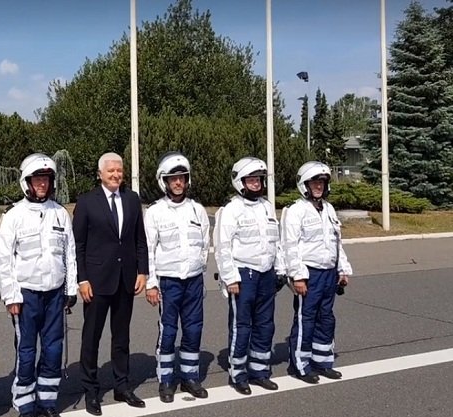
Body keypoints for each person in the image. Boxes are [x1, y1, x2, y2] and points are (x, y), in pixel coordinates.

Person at [0, 153, 78, 417]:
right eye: (37, 179)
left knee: (54, 351)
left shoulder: (60, 213)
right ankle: (26, 406)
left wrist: (71, 288)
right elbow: (4, 259)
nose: (42, 184)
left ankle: (47, 403)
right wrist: (11, 296)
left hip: (55, 293)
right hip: (26, 295)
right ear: (27, 182)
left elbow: (70, 253)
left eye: (46, 179)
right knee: (27, 351)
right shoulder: (13, 216)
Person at [72, 152, 149, 416]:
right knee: (91, 337)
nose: (116, 175)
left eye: (119, 170)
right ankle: (91, 390)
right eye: (111, 171)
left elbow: (140, 239)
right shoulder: (86, 202)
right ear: (100, 174)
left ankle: (122, 385)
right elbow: (78, 245)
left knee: (121, 337)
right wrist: (82, 279)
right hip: (96, 281)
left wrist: (143, 271)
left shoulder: (131, 199)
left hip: (126, 279)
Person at [213, 157, 285, 395]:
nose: (256, 184)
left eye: (258, 180)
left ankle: (260, 370)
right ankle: (239, 373)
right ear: (240, 182)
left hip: (266, 274)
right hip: (244, 274)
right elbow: (222, 246)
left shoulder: (266, 205)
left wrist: (280, 269)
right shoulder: (231, 209)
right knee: (242, 326)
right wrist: (230, 278)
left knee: (265, 325)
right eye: (251, 180)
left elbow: (277, 240)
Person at [144, 151, 210, 403]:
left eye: (182, 177)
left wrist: (198, 269)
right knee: (169, 331)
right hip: (168, 281)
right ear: (165, 182)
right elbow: (149, 250)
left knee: (193, 330)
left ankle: (190, 377)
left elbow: (204, 246)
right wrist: (151, 283)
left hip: (193, 280)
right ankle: (166, 379)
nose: (178, 182)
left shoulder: (198, 210)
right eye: (173, 179)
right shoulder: (155, 212)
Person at [281, 161, 352, 384]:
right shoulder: (295, 211)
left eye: (321, 182)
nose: (318, 186)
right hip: (309, 274)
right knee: (306, 319)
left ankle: (323, 361)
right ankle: (301, 365)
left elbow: (336, 242)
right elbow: (290, 246)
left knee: (326, 318)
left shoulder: (329, 209)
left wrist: (342, 268)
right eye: (314, 183)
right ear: (305, 185)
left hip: (329, 273)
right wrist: (297, 276)